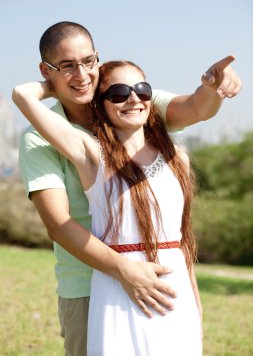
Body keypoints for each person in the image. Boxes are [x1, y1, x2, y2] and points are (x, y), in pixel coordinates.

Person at [17, 21, 241, 356]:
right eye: (66, 66)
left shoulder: (135, 100)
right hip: (88, 282)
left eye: (88, 62)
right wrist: (124, 270)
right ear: (46, 70)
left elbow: (197, 107)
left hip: (166, 280)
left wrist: (214, 88)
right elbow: (58, 225)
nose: (80, 74)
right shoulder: (45, 138)